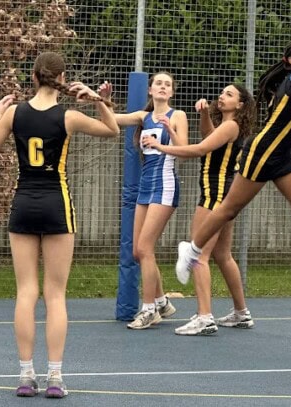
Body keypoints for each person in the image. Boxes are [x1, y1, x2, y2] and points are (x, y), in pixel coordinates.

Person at [175, 7, 291, 289]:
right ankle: (193, 250)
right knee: (228, 210)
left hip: (283, 155)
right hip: (262, 153)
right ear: (290, 61)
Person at [0, 52, 119, 398]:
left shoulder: (14, 113)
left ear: (33, 76)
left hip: (24, 204)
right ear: (62, 77)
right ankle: (55, 377)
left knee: (26, 292)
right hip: (57, 206)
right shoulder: (69, 116)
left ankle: (26, 375)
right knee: (55, 295)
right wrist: (100, 100)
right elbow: (112, 130)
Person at [142, 84, 256, 335]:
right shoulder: (228, 126)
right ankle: (241, 312)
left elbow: (199, 149)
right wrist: (203, 115)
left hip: (214, 194)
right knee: (223, 255)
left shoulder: (230, 126)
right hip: (225, 192)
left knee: (197, 254)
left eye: (229, 94)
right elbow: (209, 137)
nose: (221, 96)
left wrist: (160, 146)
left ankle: (205, 316)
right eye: (222, 92)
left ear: (240, 105)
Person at [98, 72, 188, 330]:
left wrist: (168, 132)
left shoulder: (177, 115)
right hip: (145, 187)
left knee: (146, 248)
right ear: (150, 90)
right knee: (138, 251)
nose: (162, 87)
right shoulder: (142, 117)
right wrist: (104, 100)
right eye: (158, 83)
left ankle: (149, 309)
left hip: (165, 186)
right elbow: (110, 121)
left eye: (167, 84)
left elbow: (184, 150)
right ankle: (162, 301)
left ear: (171, 92)